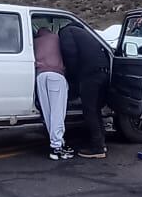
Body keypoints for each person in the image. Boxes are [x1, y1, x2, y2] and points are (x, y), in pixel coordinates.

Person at [58, 21, 111, 159]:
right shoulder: (86, 34)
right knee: (95, 109)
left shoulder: (65, 32)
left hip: (90, 75)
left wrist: (72, 74)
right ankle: (101, 142)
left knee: (89, 110)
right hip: (103, 72)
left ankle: (98, 148)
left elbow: (70, 53)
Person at [33, 26, 72, 160]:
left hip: (40, 76)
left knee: (48, 112)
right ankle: (57, 146)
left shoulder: (35, 42)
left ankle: (56, 143)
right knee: (57, 112)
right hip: (56, 75)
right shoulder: (56, 38)